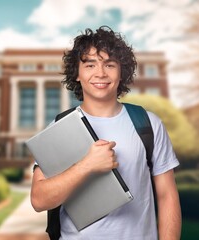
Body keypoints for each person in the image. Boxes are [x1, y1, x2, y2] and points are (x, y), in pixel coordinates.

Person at [30, 26, 181, 240]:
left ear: (122, 72)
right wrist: (88, 165)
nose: (100, 73)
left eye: (109, 65)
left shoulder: (148, 123)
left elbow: (167, 197)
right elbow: (39, 200)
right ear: (78, 74)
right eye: (90, 65)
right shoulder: (59, 126)